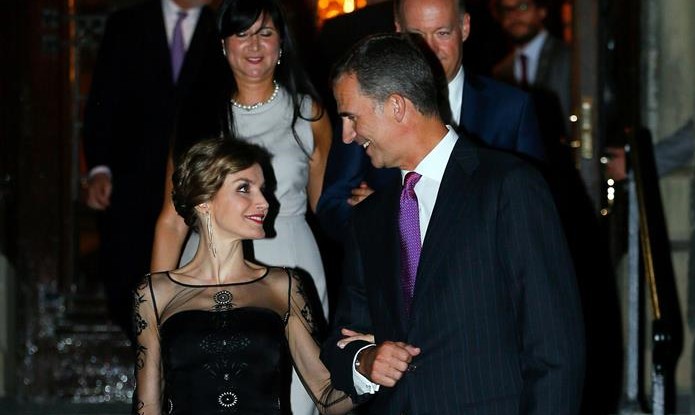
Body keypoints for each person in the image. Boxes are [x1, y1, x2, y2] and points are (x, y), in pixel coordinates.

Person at [320, 33, 585, 414]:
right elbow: (340, 341)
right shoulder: (369, 217)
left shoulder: (507, 186)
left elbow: (555, 348)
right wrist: (365, 360)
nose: (347, 136)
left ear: (396, 106)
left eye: (351, 117)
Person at [149, 0, 332, 413]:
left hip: (292, 259)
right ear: (223, 44)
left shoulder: (309, 114)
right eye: (242, 33)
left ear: (281, 42)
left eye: (265, 33)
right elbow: (172, 222)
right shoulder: (198, 118)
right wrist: (159, 305)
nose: (254, 45)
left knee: (299, 395)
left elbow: (327, 208)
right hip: (209, 270)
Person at [133, 137, 368, 414]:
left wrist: (368, 372)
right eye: (244, 188)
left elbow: (327, 398)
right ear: (203, 200)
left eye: (262, 190)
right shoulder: (155, 292)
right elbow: (147, 406)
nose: (264, 202)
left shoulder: (283, 285)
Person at [316, 0, 544, 241]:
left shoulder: (511, 109)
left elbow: (531, 207)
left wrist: (405, 212)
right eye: (416, 36)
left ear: (464, 27)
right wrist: (381, 219)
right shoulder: (366, 106)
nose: (430, 49)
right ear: (398, 30)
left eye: (442, 33)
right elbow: (333, 205)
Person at [82, 0, 228, 336]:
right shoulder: (127, 23)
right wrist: (99, 169)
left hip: (195, 182)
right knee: (127, 278)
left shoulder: (221, 26)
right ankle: (142, 351)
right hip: (131, 182)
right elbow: (103, 98)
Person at [491, 0, 572, 140]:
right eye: (506, 10)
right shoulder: (500, 71)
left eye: (522, 6)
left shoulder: (568, 57)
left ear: (542, 11)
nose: (514, 15)